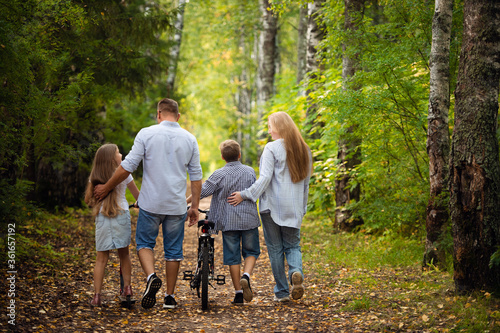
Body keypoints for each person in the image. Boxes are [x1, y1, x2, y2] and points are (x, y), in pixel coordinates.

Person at [93, 98, 203, 309]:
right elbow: (196, 176)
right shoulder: (190, 139)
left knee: (144, 244)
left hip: (150, 204)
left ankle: (151, 276)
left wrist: (107, 187)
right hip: (176, 205)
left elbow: (128, 166)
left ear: (159, 114)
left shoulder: (146, 133)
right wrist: (195, 206)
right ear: (178, 116)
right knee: (173, 251)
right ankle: (169, 298)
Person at [228, 112, 311, 302]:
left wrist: (245, 194)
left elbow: (265, 178)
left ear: (279, 127)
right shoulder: (304, 149)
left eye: (270, 126)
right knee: (293, 245)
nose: (268, 130)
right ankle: (296, 273)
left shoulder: (272, 148)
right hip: (294, 206)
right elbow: (306, 183)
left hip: (272, 207)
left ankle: (282, 292)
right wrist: (303, 208)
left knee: (275, 249)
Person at [187, 140, 260, 305]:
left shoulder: (219, 174)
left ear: (222, 157)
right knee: (252, 252)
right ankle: (246, 276)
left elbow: (202, 191)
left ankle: (238, 293)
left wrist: (185, 201)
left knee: (233, 256)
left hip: (228, 222)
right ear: (239, 155)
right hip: (249, 219)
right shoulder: (250, 172)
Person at [84, 143, 140, 307]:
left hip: (102, 216)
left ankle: (97, 296)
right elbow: (138, 196)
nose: (121, 154)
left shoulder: (95, 175)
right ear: (112, 158)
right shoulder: (124, 172)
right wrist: (138, 203)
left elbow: (88, 200)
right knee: (124, 255)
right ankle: (127, 289)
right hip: (121, 213)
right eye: (118, 152)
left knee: (101, 259)